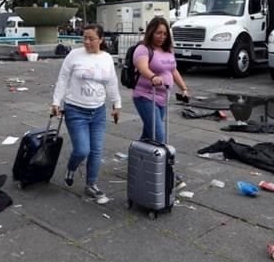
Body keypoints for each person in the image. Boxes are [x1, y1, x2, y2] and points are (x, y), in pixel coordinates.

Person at [51, 24, 122, 201]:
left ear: (101, 40)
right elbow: (63, 79)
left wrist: (116, 104)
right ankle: (71, 168)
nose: (87, 42)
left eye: (91, 38)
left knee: (96, 151)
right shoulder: (74, 55)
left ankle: (91, 184)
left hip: (98, 111)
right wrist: (56, 102)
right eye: (85, 38)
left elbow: (112, 82)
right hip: (76, 109)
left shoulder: (106, 58)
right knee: (82, 150)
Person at [131, 17, 188, 145]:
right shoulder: (143, 49)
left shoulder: (168, 50)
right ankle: (156, 162)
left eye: (164, 33)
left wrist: (184, 88)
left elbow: (173, 70)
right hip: (146, 96)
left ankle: (139, 157)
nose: (161, 37)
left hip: (163, 98)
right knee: (158, 136)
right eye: (158, 33)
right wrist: (153, 77)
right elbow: (142, 68)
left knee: (148, 134)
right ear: (151, 32)